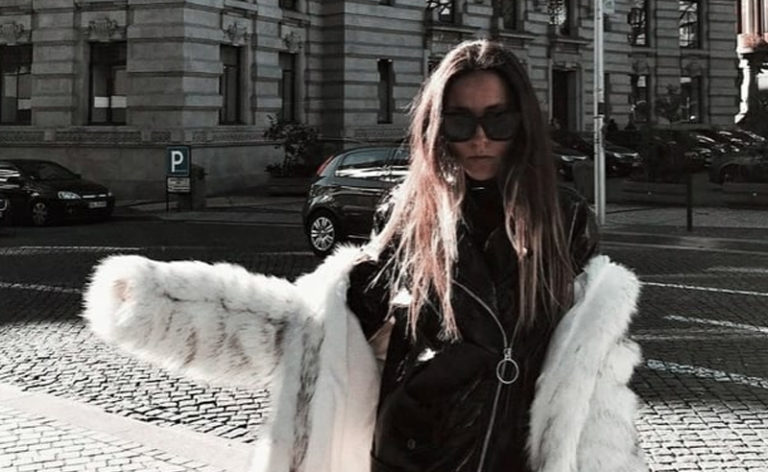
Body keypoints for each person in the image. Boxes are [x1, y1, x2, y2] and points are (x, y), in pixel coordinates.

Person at [82, 40, 647, 472]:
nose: (480, 139)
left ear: (521, 124)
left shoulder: (565, 219)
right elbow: (328, 320)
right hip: (413, 451)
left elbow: (592, 371)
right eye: (460, 121)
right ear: (437, 127)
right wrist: (172, 302)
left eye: (498, 120)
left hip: (519, 456)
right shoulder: (408, 215)